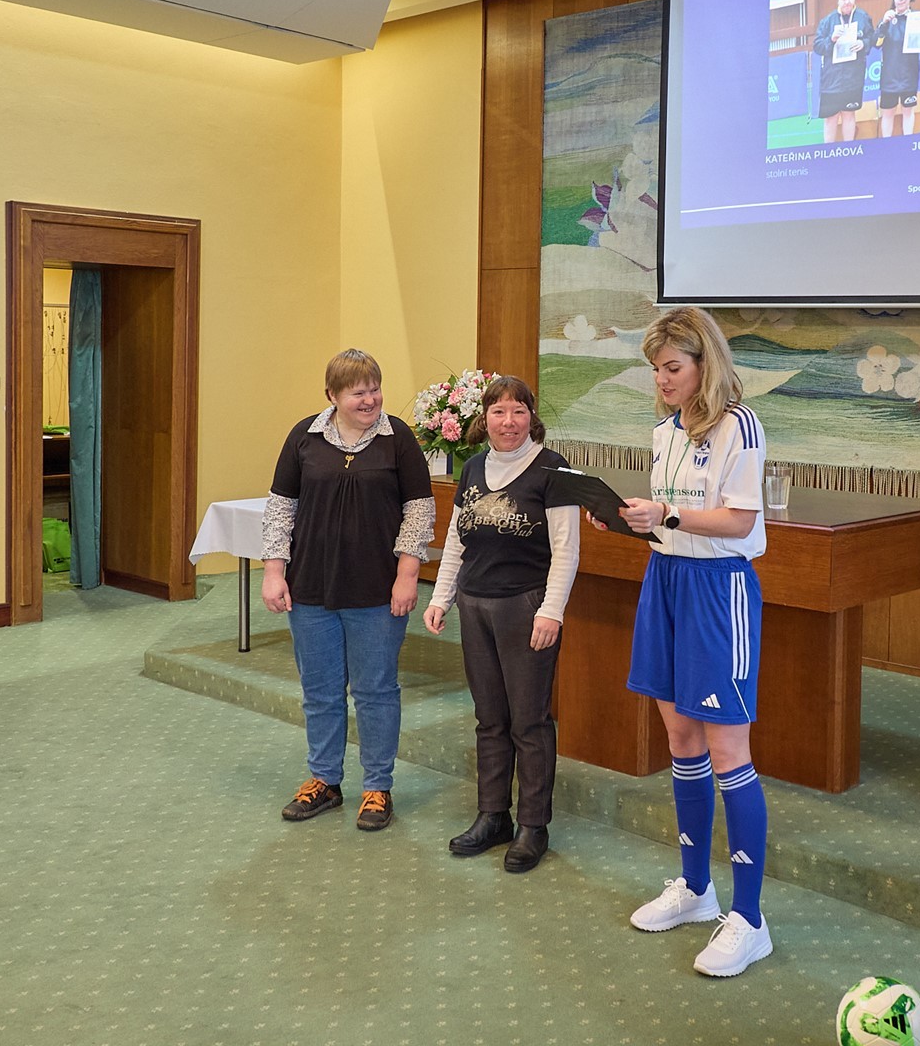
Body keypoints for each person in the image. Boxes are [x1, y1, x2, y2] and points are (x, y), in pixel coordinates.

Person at [611, 307, 773, 978]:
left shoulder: (740, 425)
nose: (662, 379)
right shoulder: (663, 431)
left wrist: (669, 514)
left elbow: (737, 521)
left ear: (705, 364)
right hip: (665, 580)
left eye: (673, 367)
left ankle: (750, 919)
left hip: (717, 589)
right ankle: (697, 889)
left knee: (727, 747)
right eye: (656, 369)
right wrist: (636, 519)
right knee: (680, 737)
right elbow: (670, 519)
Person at [261, 349, 434, 833]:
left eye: (375, 389)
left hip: (377, 590)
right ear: (332, 395)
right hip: (311, 587)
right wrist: (274, 571)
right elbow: (280, 508)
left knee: (376, 691)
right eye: (358, 392)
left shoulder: (398, 438)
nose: (370, 399)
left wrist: (407, 574)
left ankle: (378, 786)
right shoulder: (305, 436)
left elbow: (419, 511)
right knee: (320, 692)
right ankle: (325, 780)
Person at [423, 376, 581, 873]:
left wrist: (551, 610)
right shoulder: (473, 467)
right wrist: (442, 597)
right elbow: (457, 539)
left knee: (529, 721)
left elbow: (567, 550)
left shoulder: (553, 470)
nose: (508, 422)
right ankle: (493, 815)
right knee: (489, 718)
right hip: (475, 604)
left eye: (518, 412)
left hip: (526, 606)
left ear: (531, 418)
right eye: (498, 412)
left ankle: (533, 825)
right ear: (484, 418)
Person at [873, 0, 920, 138]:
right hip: (890, 77)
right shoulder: (887, 20)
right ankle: (887, 144)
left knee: (908, 111)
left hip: (909, 76)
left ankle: (907, 143)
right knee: (887, 113)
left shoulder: (918, 19)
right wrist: (884, 23)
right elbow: (876, 43)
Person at [812, 0, 874, 144]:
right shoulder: (828, 21)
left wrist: (863, 43)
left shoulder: (863, 18)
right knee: (831, 118)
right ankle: (829, 152)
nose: (847, 2)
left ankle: (849, 150)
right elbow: (817, 46)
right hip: (831, 81)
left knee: (849, 115)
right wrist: (831, 39)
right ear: (838, 0)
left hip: (852, 79)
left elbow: (872, 38)